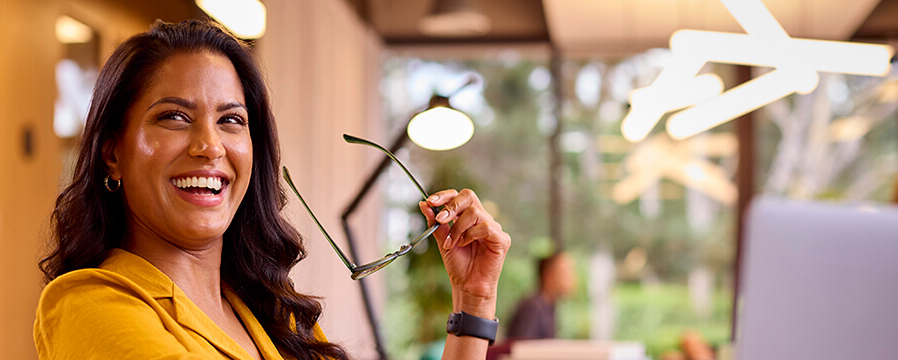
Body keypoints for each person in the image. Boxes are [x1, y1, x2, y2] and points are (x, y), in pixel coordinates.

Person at [33, 20, 511, 360]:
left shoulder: (270, 313)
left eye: (231, 121)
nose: (209, 145)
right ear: (113, 152)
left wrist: (473, 303)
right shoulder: (88, 305)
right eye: (174, 117)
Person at [506, 251, 577, 340]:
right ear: (548, 275)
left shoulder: (548, 306)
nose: (572, 278)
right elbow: (523, 349)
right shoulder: (532, 309)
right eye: (565, 273)